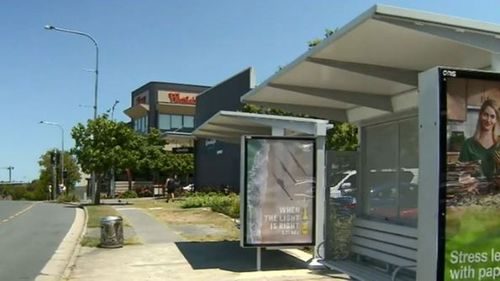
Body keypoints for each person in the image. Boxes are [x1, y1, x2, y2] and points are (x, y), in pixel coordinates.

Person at [459, 99, 500, 180]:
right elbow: (463, 176)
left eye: (492, 116)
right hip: (475, 192)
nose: (488, 120)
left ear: (496, 120)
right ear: (480, 115)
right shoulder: (468, 145)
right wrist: (467, 181)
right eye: (485, 115)